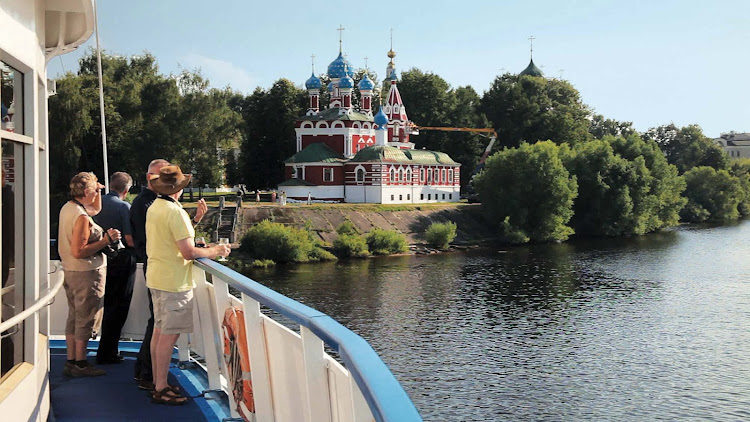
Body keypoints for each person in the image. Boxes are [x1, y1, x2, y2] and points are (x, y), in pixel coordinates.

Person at [146, 165, 230, 405]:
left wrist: (195, 220)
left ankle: (157, 381)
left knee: (159, 332)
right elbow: (188, 252)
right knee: (167, 337)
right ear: (178, 189)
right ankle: (161, 388)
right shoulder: (175, 212)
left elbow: (172, 240)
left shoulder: (155, 207)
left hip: (157, 278)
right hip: (174, 282)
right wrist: (216, 250)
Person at [58, 172, 122, 377]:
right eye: (95, 190)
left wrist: (97, 193)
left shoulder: (69, 208)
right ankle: (81, 364)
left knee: (74, 316)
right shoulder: (82, 218)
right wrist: (105, 240)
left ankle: (71, 360)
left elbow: (94, 208)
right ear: (86, 191)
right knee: (85, 318)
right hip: (86, 273)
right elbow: (79, 250)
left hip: (70, 271)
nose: (98, 192)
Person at [93, 172, 136, 364]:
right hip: (120, 260)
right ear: (126, 190)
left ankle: (99, 349)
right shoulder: (124, 207)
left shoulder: (96, 204)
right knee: (118, 306)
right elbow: (129, 239)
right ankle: (108, 352)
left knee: (103, 303)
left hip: (98, 258)